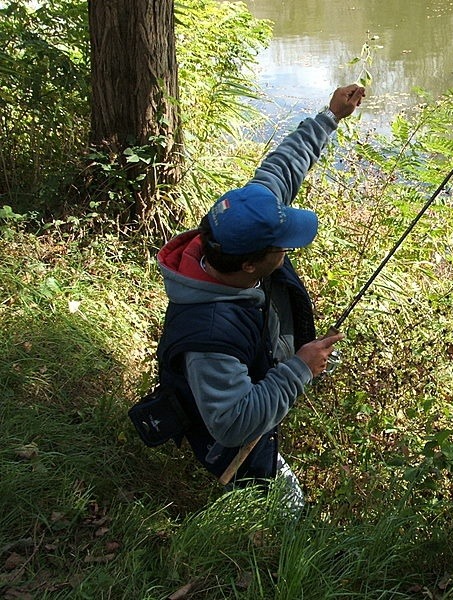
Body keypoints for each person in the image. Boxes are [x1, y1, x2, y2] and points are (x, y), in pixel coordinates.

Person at [154, 84, 366, 504]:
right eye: (282, 247)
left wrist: (330, 116)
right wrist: (298, 369)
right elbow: (233, 423)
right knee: (279, 503)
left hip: (248, 372)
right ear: (250, 264)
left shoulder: (234, 236)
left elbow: (281, 169)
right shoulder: (210, 337)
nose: (287, 249)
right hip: (228, 436)